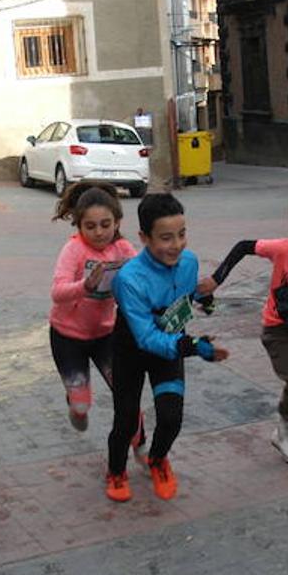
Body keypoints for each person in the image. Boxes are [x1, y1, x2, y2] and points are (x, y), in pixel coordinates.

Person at [200, 194, 288, 466]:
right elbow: (243, 246)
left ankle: (284, 430)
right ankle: (286, 424)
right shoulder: (283, 249)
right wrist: (217, 279)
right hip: (278, 330)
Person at [105, 193, 228, 503]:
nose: (176, 245)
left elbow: (184, 297)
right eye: (165, 238)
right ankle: (116, 471)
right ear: (144, 237)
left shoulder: (189, 261)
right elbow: (146, 337)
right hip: (132, 350)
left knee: (171, 417)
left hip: (170, 350)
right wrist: (194, 346)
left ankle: (157, 460)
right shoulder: (129, 279)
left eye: (182, 234)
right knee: (126, 420)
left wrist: (204, 299)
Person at [48, 182, 141, 436]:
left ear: (117, 222)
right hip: (68, 337)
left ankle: (141, 448)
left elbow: (142, 278)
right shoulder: (74, 249)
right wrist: (85, 286)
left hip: (106, 335)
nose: (99, 233)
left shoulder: (122, 249)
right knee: (81, 402)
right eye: (90, 226)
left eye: (105, 224)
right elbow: (57, 293)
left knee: (127, 394)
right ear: (79, 226)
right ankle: (76, 405)